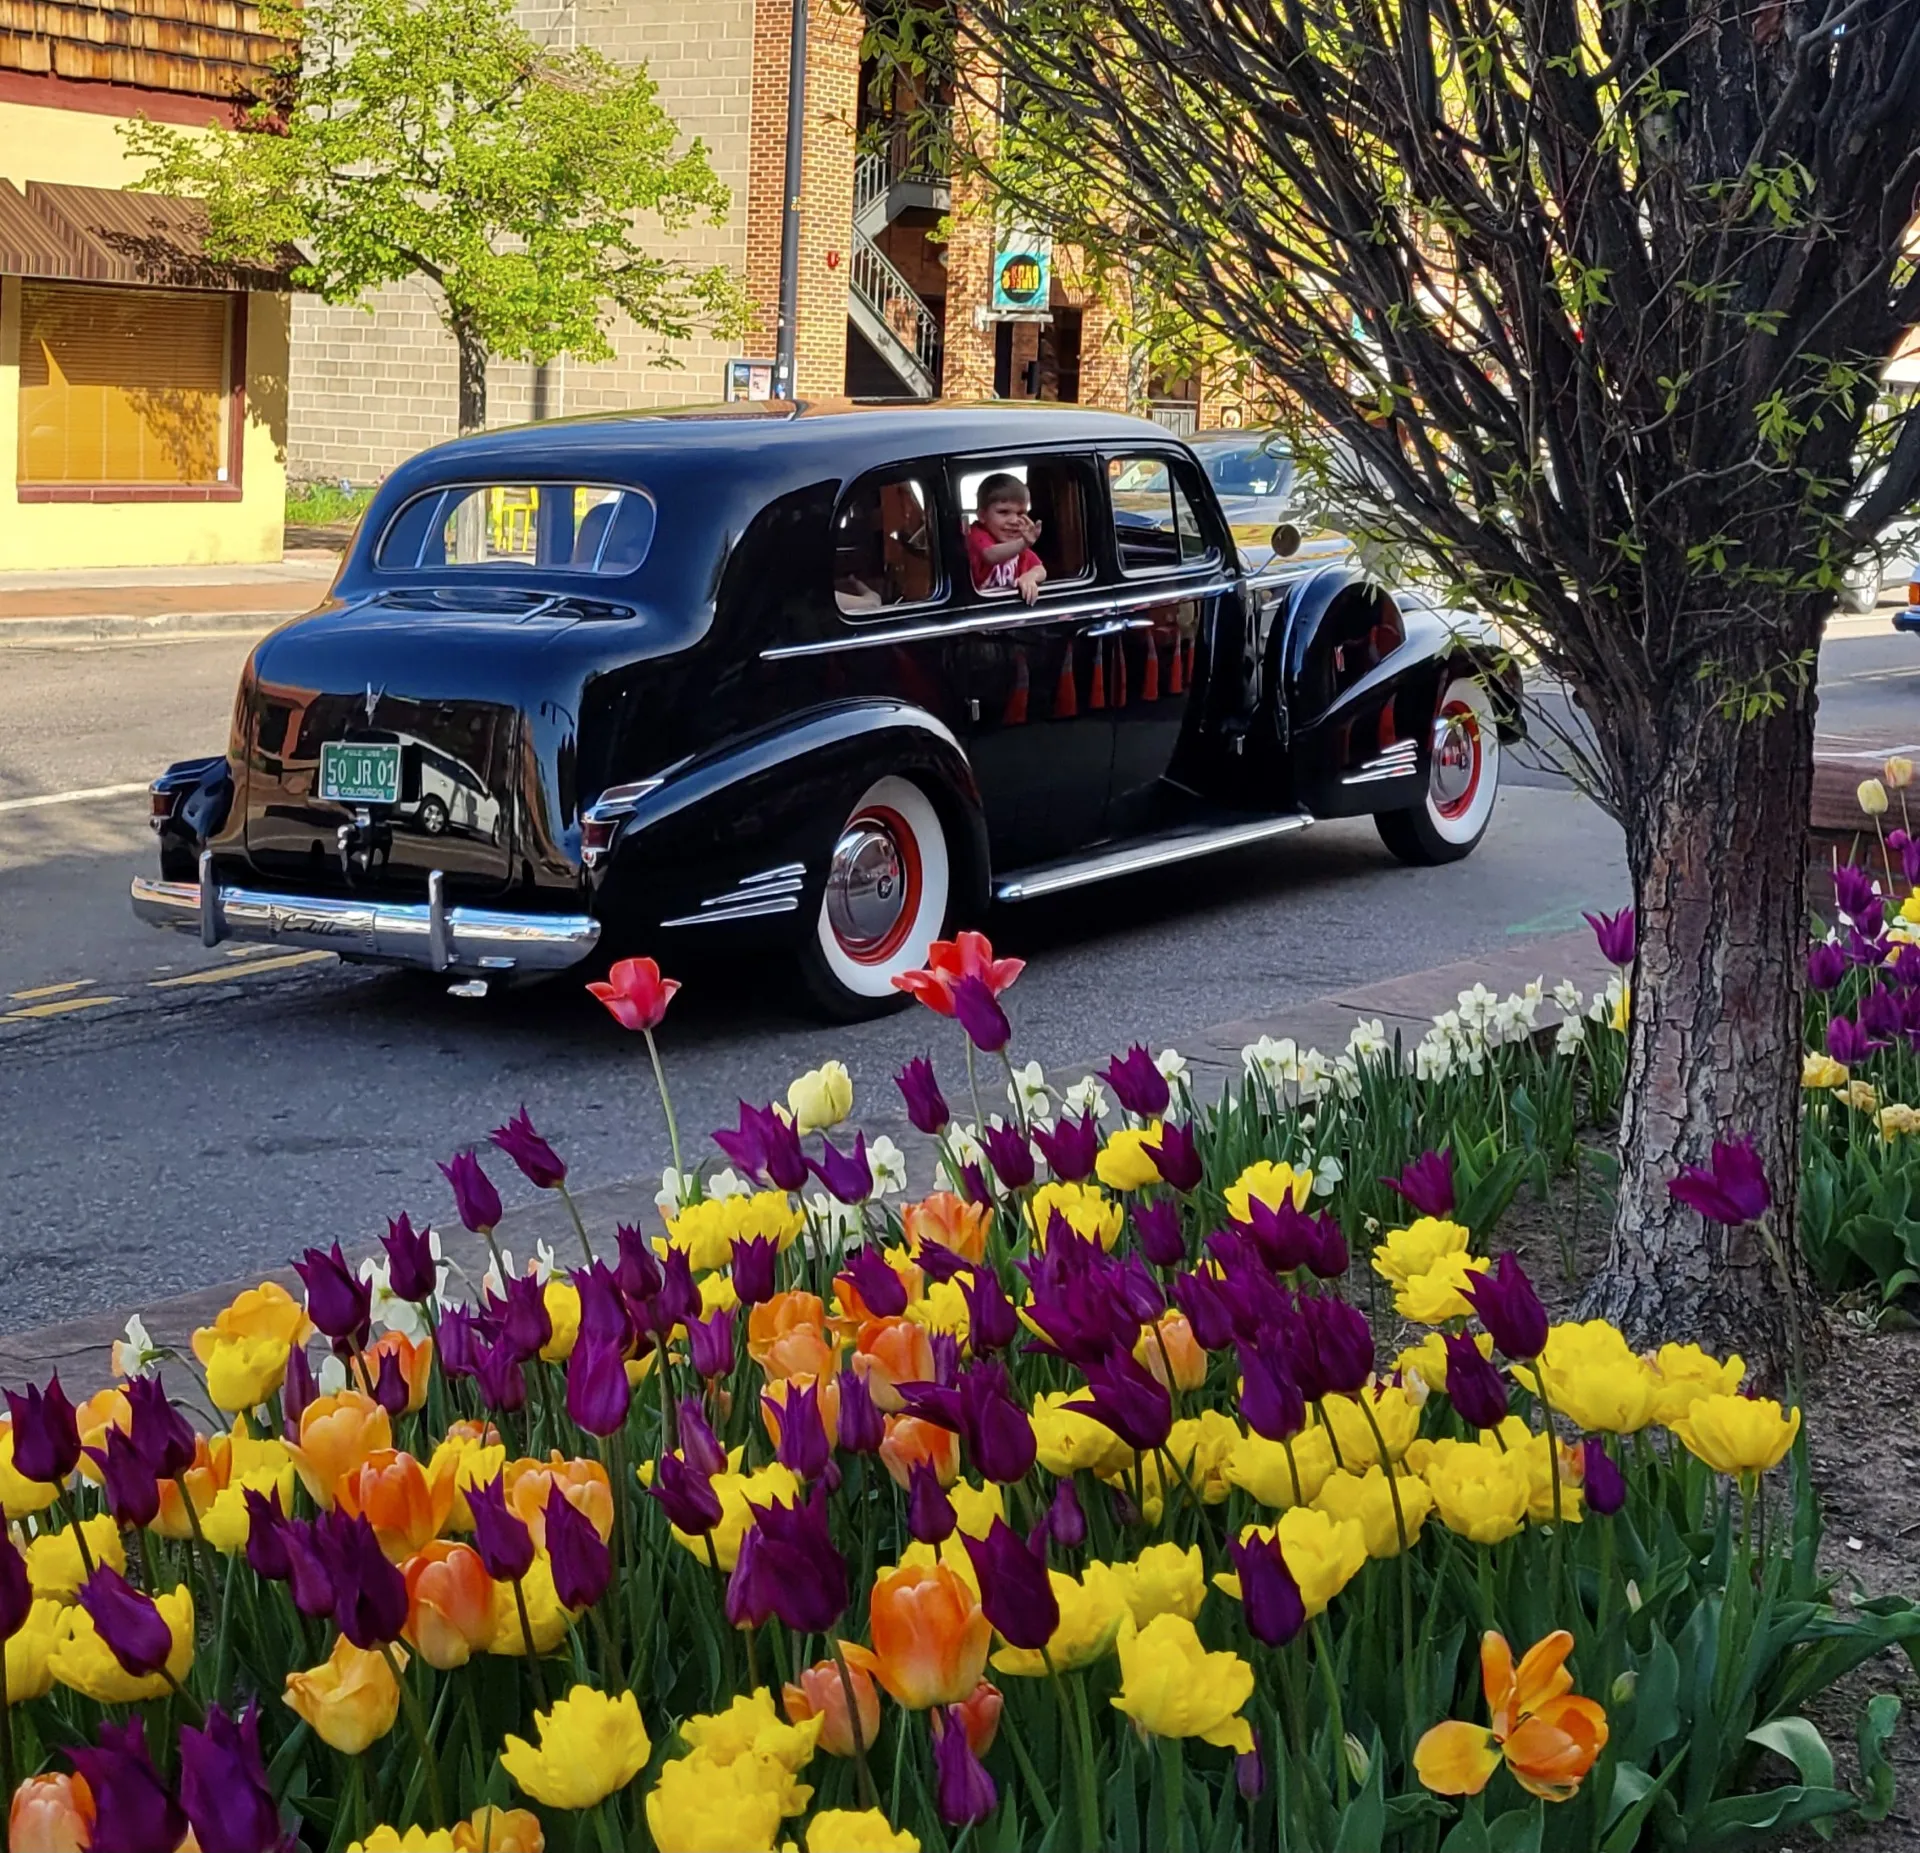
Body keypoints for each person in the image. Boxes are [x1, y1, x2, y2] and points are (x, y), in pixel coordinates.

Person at [967, 473, 1047, 604]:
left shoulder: (1016, 543)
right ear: (982, 516)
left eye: (1021, 513)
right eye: (1003, 512)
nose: (1014, 520)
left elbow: (1040, 569)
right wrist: (1024, 543)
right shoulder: (976, 534)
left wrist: (1030, 576)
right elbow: (990, 555)